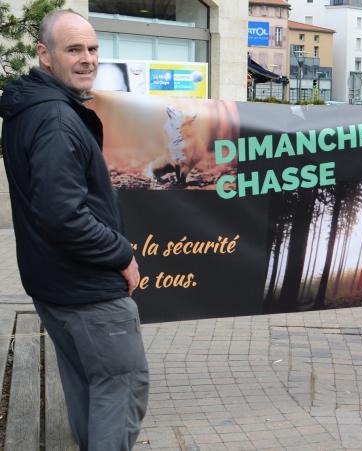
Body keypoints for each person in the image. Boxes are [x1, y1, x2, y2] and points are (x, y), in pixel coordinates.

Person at [0, 10, 148, 450]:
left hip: (55, 286)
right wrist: (121, 253)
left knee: (90, 385)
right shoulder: (57, 120)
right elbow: (62, 215)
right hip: (87, 291)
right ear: (45, 55)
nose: (87, 59)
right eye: (74, 49)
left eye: (92, 48)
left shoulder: (35, 108)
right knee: (121, 386)